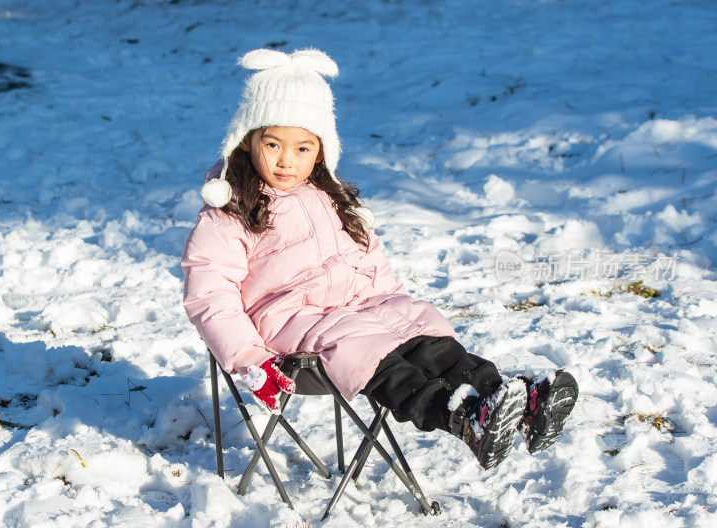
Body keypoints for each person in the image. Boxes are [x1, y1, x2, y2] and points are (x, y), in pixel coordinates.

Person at [181, 48, 577, 470]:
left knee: (431, 343)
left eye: (301, 148)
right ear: (247, 139)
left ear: (320, 151)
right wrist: (249, 360)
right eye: (273, 144)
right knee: (380, 360)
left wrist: (398, 309)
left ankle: (509, 405)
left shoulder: (330, 198)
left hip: (361, 309)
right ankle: (461, 418)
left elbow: (373, 263)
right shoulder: (232, 210)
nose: (285, 160)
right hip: (294, 329)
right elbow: (209, 294)